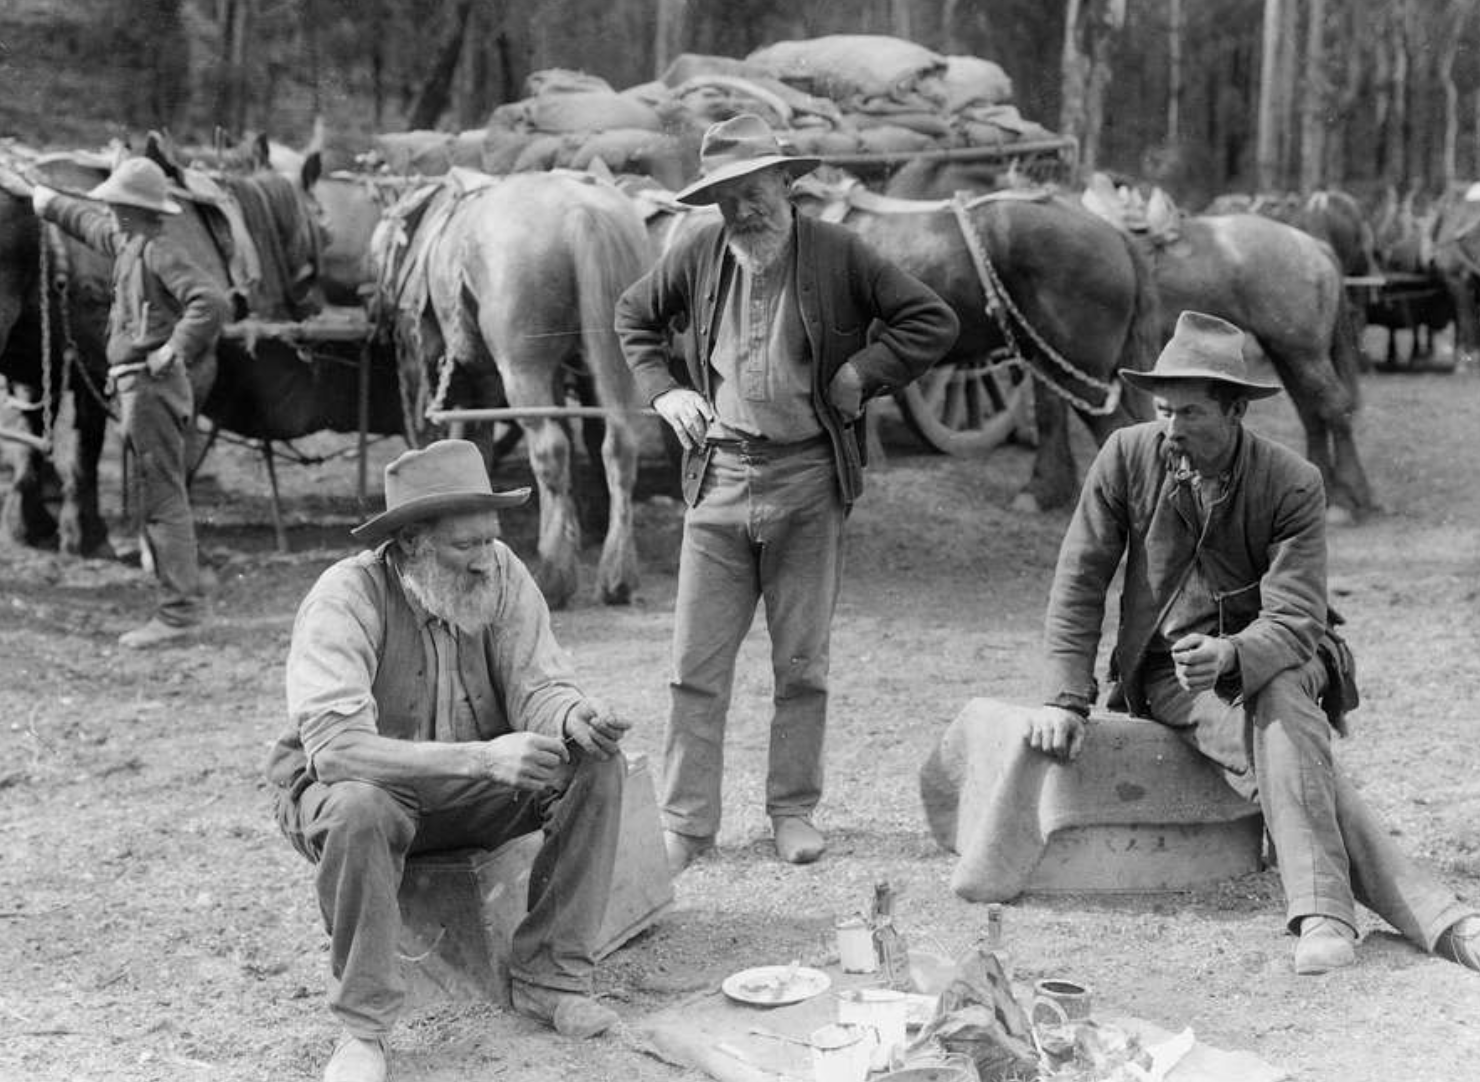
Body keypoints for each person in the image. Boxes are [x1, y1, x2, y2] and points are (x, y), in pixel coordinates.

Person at [1030, 309, 1480, 975]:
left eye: (1190, 414)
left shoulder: (1293, 481)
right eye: (1162, 410)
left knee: (1282, 688)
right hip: (1170, 678)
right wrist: (1064, 697)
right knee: (1290, 746)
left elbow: (1297, 616)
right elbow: (1079, 580)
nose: (1171, 429)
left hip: (1284, 658)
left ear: (1235, 410)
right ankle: (1439, 921)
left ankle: (1327, 916)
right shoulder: (1126, 455)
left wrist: (1234, 655)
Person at [615, 114, 959, 873]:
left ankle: (792, 811)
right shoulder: (701, 251)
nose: (742, 210)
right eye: (725, 197)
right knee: (693, 666)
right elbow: (634, 317)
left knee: (802, 664)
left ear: (786, 182)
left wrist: (862, 374)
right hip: (721, 478)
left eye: (752, 191)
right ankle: (687, 823)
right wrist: (665, 392)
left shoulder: (838, 252)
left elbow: (931, 319)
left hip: (809, 480)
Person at [264, 439, 632, 1082]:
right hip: (368, 792)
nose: (485, 560)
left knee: (593, 764)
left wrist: (572, 718)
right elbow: (337, 753)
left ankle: (550, 979)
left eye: (490, 539)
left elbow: (536, 686)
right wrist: (481, 761)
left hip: (467, 789)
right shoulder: (344, 598)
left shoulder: (503, 572)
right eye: (465, 546)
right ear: (410, 544)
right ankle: (363, 1030)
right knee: (358, 808)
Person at [0, 158, 228, 648]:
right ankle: (178, 602)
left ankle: (179, 612)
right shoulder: (130, 243)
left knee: (162, 498)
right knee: (156, 494)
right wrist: (36, 194)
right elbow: (84, 223)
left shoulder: (161, 251)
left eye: (119, 204)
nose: (110, 210)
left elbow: (211, 301)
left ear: (139, 209)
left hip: (152, 387)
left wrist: (174, 349)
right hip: (135, 387)